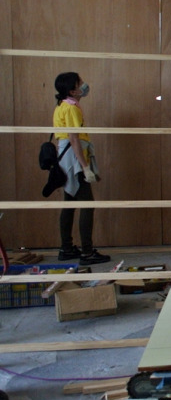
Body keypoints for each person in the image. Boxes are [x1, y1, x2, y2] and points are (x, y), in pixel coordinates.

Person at [52, 72, 110, 265]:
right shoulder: (71, 109)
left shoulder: (63, 105)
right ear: (72, 90)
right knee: (87, 204)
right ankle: (87, 252)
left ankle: (66, 248)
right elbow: (74, 139)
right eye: (80, 83)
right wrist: (85, 167)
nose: (84, 86)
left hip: (67, 159)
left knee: (69, 203)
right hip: (74, 160)